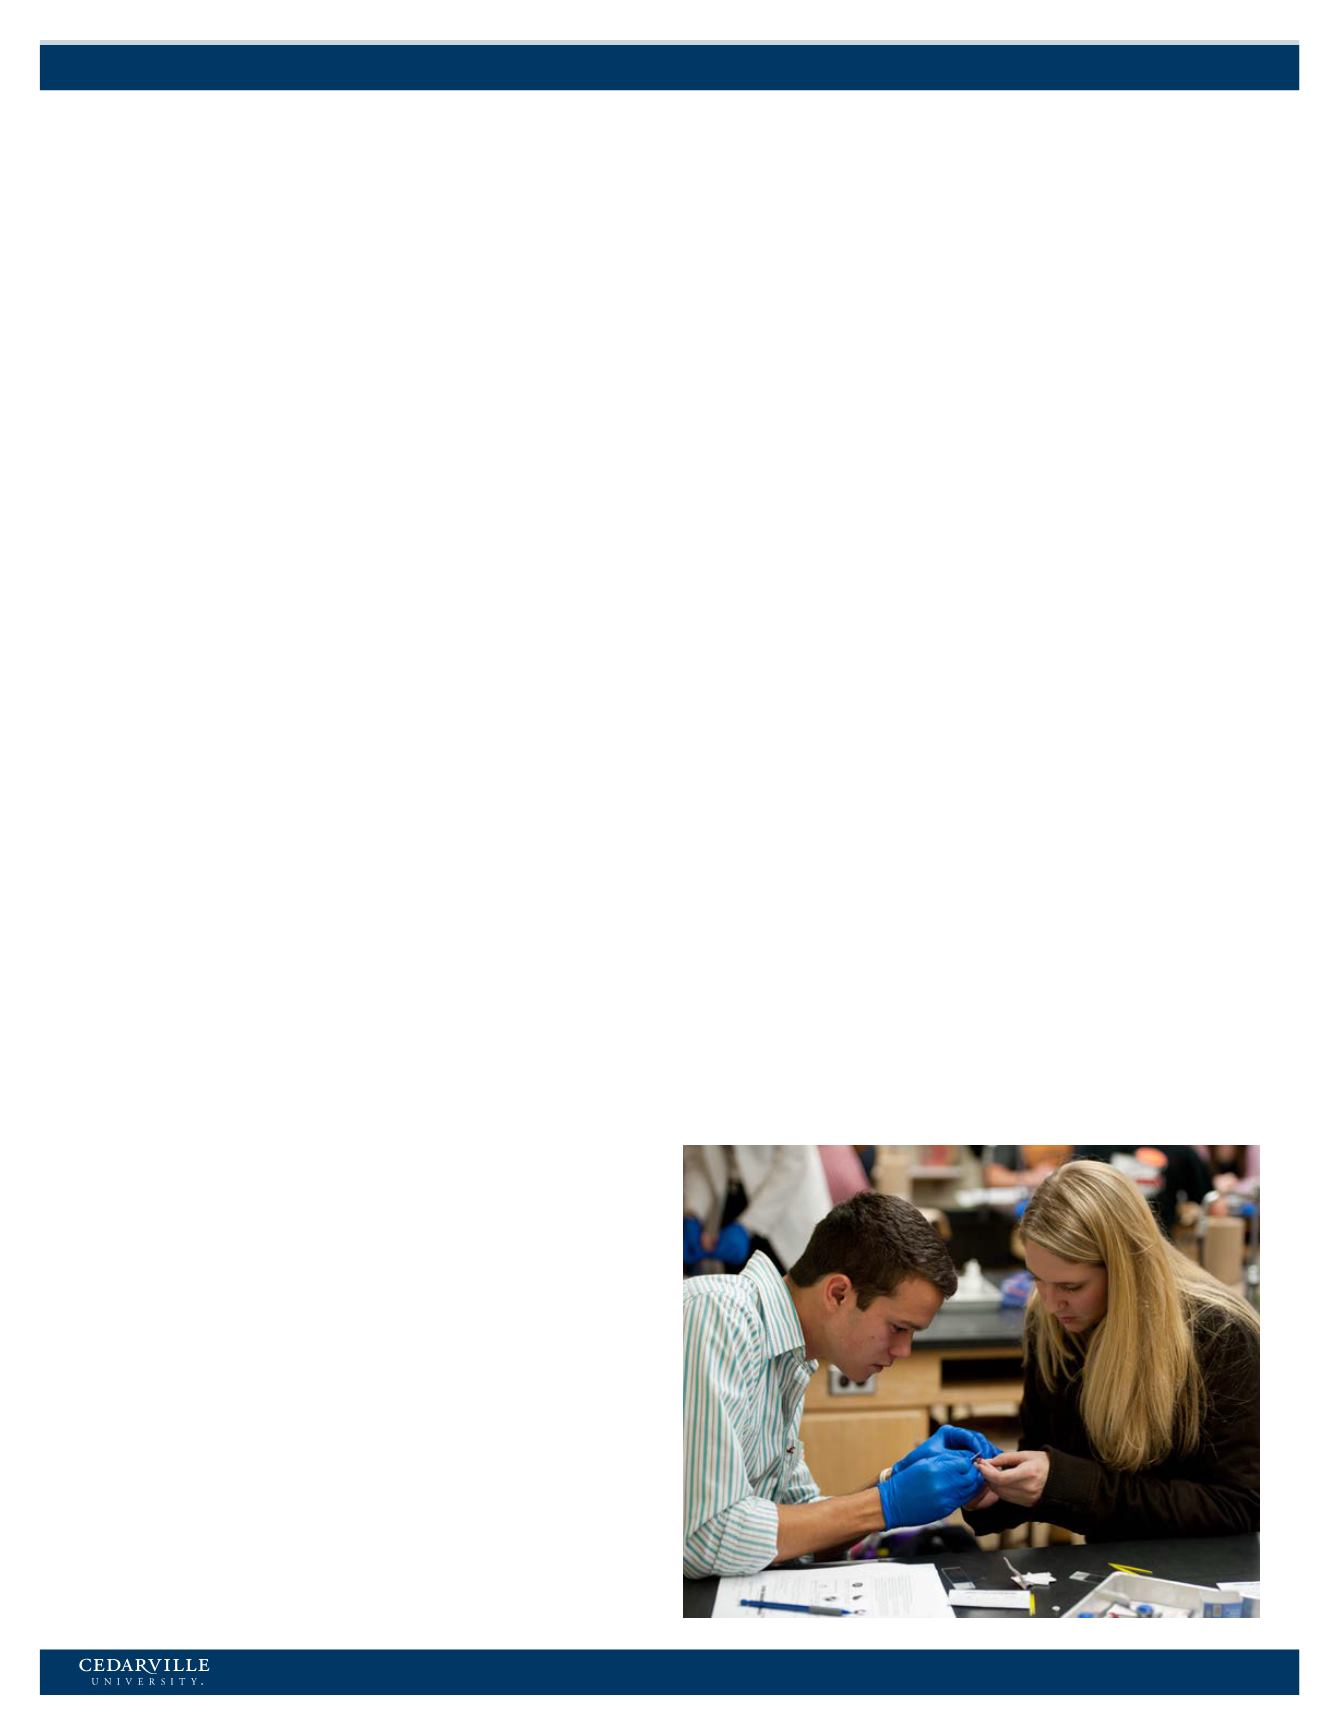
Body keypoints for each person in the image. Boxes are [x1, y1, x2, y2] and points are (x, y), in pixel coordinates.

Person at [683, 1190, 988, 1579]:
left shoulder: (789, 1359)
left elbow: (800, 1531)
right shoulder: (719, 1316)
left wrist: (892, 1480)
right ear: (838, 1293)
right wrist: (884, 1504)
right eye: (898, 1327)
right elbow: (705, 1536)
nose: (904, 1350)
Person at [965, 1160, 1259, 1542]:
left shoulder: (1220, 1335)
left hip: (1201, 1570)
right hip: (1111, 1564)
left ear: (1126, 1269)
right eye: (1038, 1280)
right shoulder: (1052, 1324)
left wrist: (1066, 1484)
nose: (1051, 1303)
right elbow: (1046, 1464)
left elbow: (1239, 1507)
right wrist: (991, 1492)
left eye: (1071, 1287)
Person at [683, 1145, 833, 1273]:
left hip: (785, 1210)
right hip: (729, 1203)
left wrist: (748, 1225)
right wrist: (693, 1213)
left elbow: (793, 1161)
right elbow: (697, 1160)